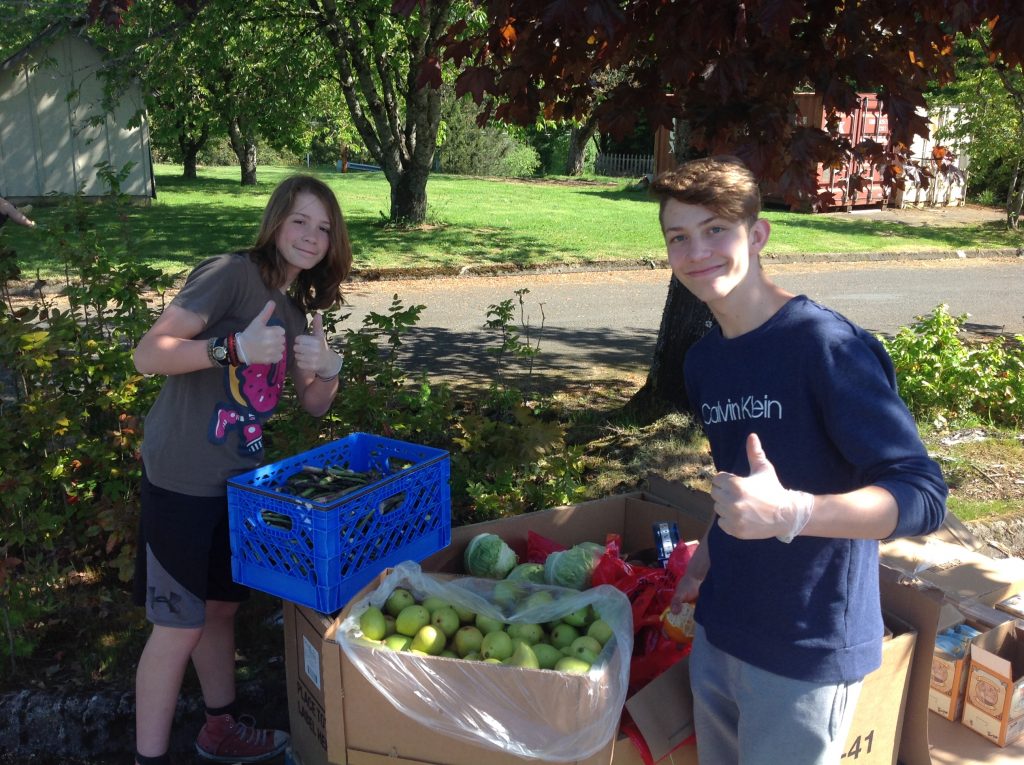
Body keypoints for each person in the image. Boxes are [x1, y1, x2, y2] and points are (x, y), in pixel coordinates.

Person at [659, 156, 947, 765]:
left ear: (757, 235)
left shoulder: (827, 347)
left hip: (805, 649)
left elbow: (922, 495)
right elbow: (737, 484)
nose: (697, 252)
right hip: (719, 629)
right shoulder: (704, 362)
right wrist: (701, 568)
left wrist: (793, 511)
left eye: (716, 230)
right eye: (678, 237)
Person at [131, 174, 352, 765]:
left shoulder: (295, 308)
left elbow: (312, 402)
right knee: (178, 625)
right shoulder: (231, 274)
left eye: (324, 227)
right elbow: (148, 353)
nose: (311, 235)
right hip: (180, 478)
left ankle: (219, 728)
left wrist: (330, 367)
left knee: (222, 609)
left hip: (238, 486)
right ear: (276, 220)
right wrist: (230, 349)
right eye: (301, 220)